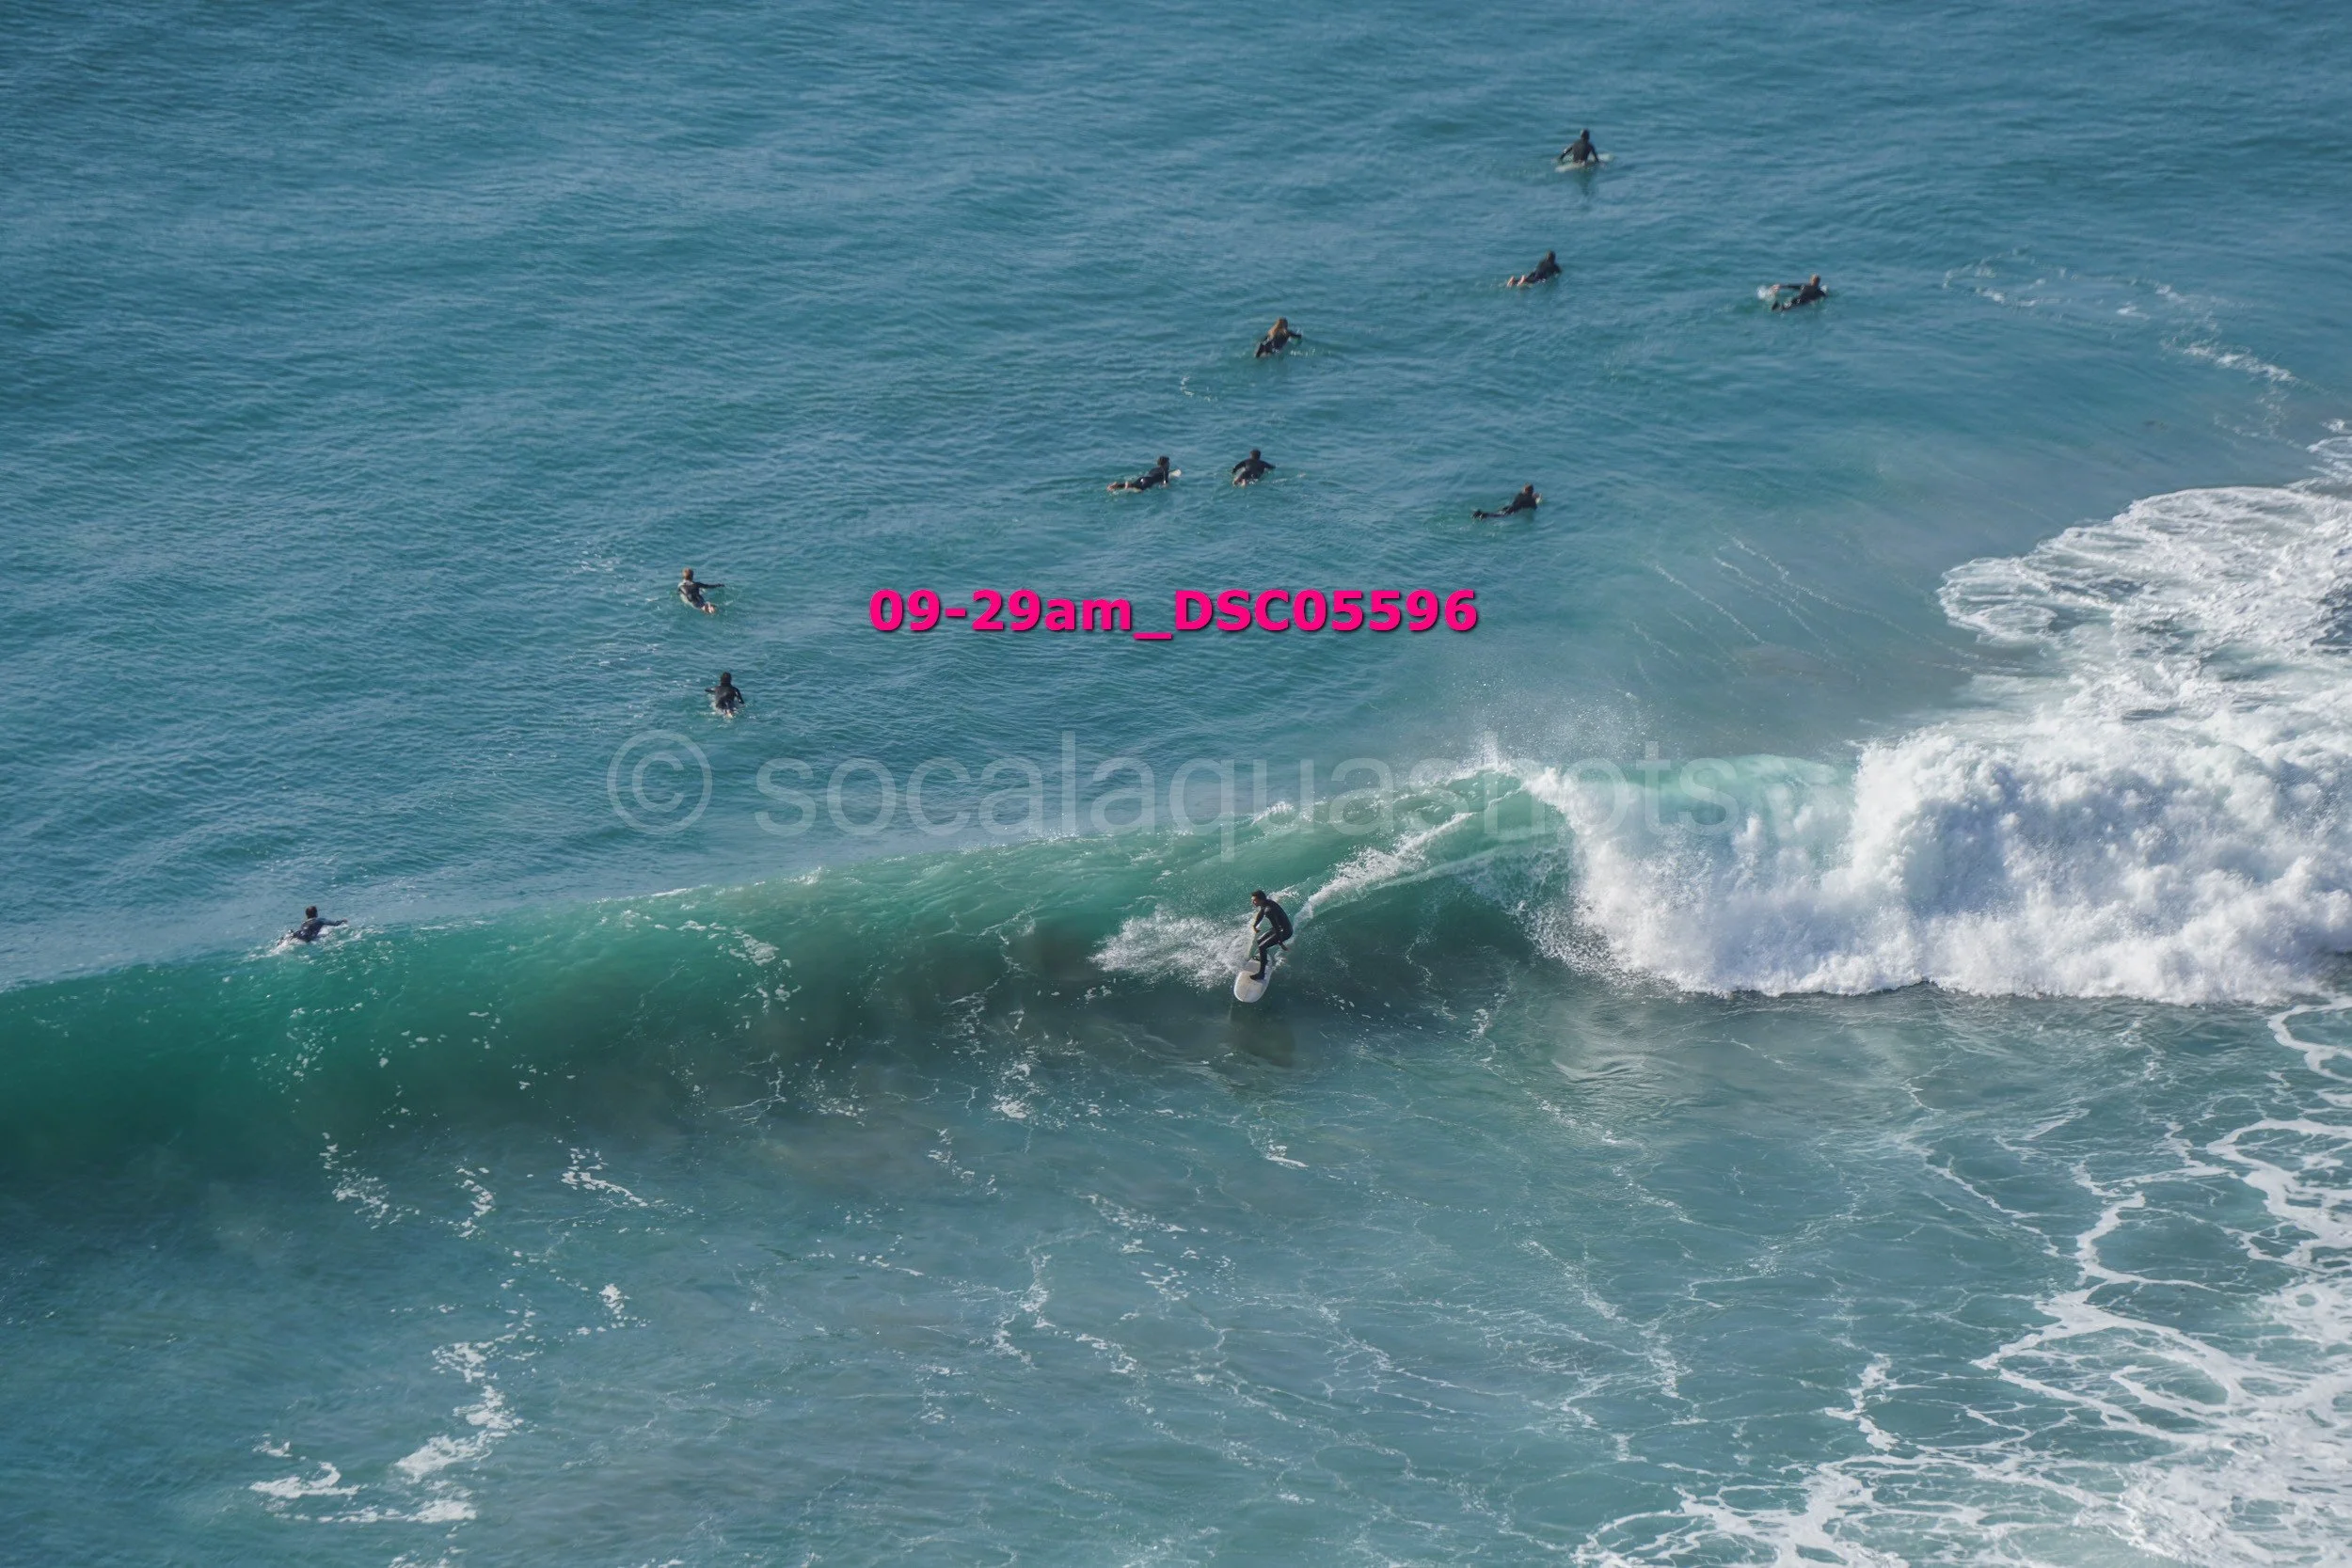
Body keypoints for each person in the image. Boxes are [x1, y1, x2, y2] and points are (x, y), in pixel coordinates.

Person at [1248, 890, 1293, 980]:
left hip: (1285, 931)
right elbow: (1261, 914)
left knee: (1262, 946)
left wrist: (1281, 943)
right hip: (1280, 928)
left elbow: (1276, 928)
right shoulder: (1265, 904)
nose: (1252, 902)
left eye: (1254, 900)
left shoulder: (1269, 910)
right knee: (1259, 941)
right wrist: (1255, 925)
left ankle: (1261, 974)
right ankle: (1265, 960)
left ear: (1261, 900)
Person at [1108, 455, 1174, 493]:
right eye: (1168, 462)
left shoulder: (1153, 469)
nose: (1169, 464)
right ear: (1165, 464)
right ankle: (1127, 485)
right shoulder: (1165, 471)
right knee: (1140, 490)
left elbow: (1151, 475)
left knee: (1134, 485)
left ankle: (1117, 486)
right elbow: (1165, 483)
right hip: (1148, 481)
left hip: (1143, 478)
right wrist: (1166, 487)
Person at [1474, 484, 1541, 519]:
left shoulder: (1520, 494)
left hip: (1508, 507)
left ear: (1524, 490)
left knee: (1497, 513)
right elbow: (1534, 508)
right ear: (1532, 491)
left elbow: (1526, 496)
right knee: (1499, 516)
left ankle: (1480, 513)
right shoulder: (1531, 500)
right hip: (1513, 510)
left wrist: (1532, 497)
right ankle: (1484, 515)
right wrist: (1537, 500)